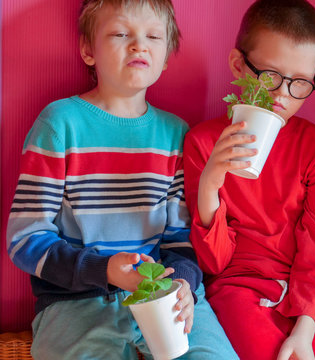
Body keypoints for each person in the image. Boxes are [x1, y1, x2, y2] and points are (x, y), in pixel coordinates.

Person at [6, 1, 238, 359]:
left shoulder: (176, 134)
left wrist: (184, 286)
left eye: (153, 36)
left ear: (164, 57)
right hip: (75, 304)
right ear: (88, 50)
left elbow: (180, 241)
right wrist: (104, 271)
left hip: (161, 294)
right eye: (120, 33)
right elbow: (25, 239)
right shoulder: (59, 124)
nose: (138, 45)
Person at [183, 1, 315, 359]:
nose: (282, 94)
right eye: (270, 75)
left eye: (300, 82)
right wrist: (210, 181)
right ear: (239, 65)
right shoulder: (204, 142)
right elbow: (215, 263)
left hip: (309, 296)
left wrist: (306, 325)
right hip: (238, 287)